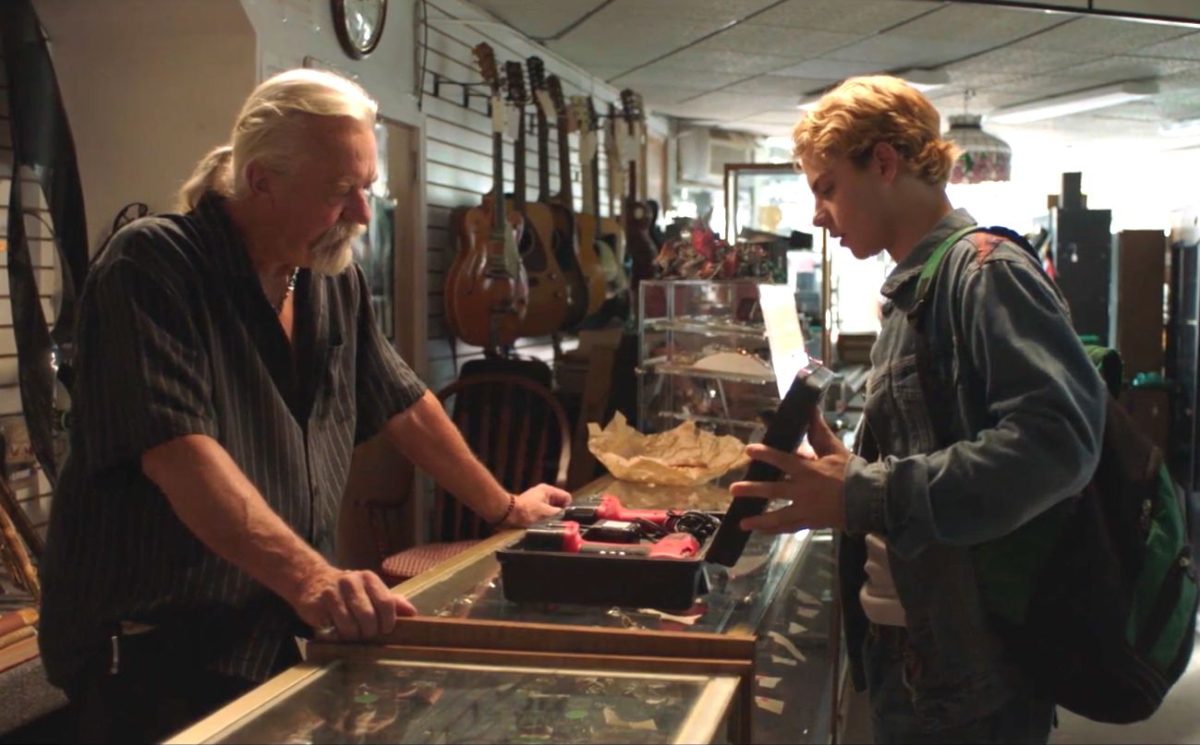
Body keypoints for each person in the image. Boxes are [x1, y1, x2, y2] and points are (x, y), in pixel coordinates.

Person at [38, 68, 570, 743]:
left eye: (367, 190)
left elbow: (404, 401)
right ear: (260, 180)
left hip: (274, 633)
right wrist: (319, 583)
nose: (361, 216)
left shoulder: (328, 274)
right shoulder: (149, 266)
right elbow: (182, 455)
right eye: (341, 192)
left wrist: (503, 508)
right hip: (154, 656)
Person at [734, 75, 1106, 743]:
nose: (818, 212)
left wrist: (860, 491)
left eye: (826, 187)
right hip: (920, 652)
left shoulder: (987, 273)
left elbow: (1056, 445)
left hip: (974, 673)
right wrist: (850, 470)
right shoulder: (918, 290)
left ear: (884, 162)